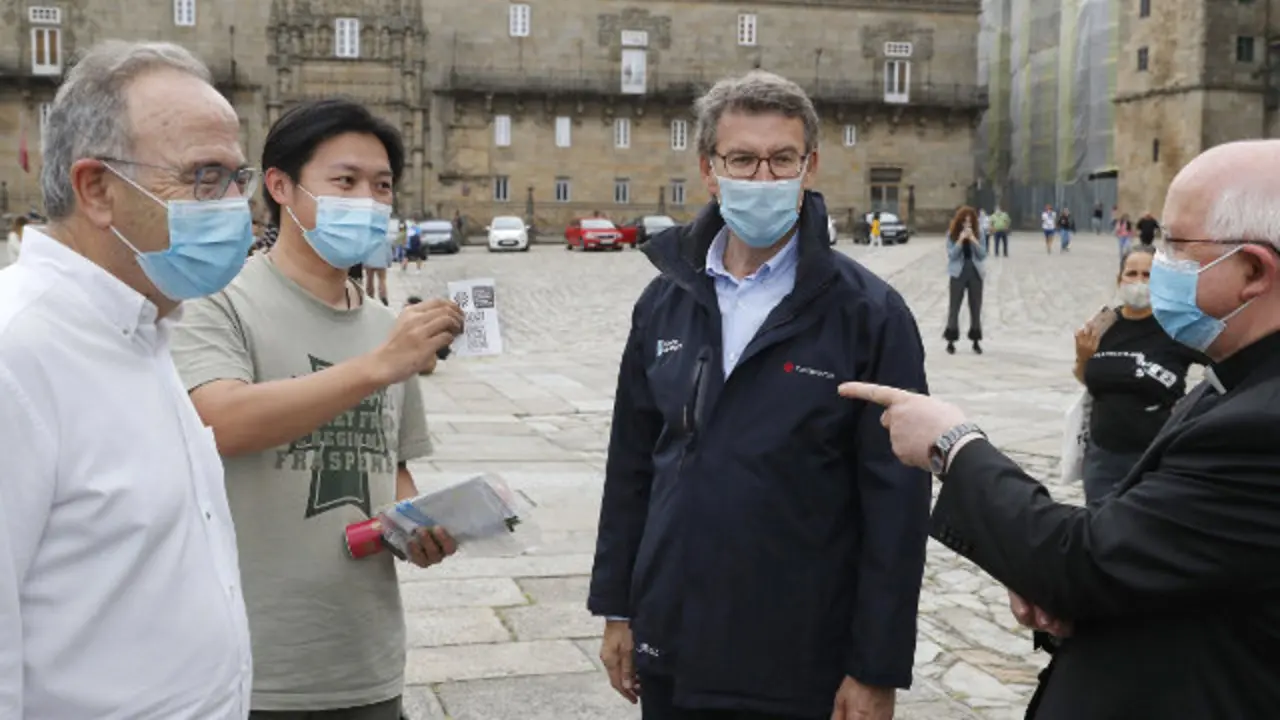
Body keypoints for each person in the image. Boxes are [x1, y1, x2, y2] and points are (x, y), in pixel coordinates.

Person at [839, 139, 1280, 718]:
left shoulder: (1261, 427)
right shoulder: (1237, 379)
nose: (1156, 259)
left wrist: (954, 444)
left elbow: (1087, 562)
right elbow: (1148, 553)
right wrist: (1066, 591)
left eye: (1174, 243)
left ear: (1252, 269)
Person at [589, 70, 929, 720]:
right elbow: (631, 467)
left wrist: (876, 666)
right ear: (710, 170)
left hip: (798, 658)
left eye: (781, 160)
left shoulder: (869, 316)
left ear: (810, 167)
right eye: (742, 159)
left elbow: (896, 505)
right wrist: (617, 608)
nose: (763, 178)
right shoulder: (665, 301)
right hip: (673, 644)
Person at [171, 98, 465, 720]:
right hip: (249, 664)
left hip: (363, 659)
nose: (368, 200)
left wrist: (419, 529)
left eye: (382, 186)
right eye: (346, 181)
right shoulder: (217, 302)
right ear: (280, 186)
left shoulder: (387, 327)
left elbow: (392, 468)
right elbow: (220, 420)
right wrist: (378, 366)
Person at [0, 40, 255, 718]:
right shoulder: (16, 356)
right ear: (98, 189)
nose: (235, 206)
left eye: (238, 177)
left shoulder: (144, 328)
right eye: (204, 177)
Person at [1073, 244, 1204, 501]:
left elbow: (1225, 365)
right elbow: (1087, 379)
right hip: (1103, 455)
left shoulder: (1175, 328)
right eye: (1131, 274)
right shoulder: (1102, 326)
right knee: (1100, 530)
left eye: (1148, 275)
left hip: (1155, 456)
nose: (1138, 282)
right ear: (1119, 279)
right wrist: (1082, 358)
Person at [943, 206, 987, 355]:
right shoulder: (952, 234)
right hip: (958, 273)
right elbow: (952, 255)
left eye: (970, 221)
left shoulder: (979, 233)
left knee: (975, 306)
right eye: (964, 221)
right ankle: (951, 339)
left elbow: (982, 254)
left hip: (975, 272)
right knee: (954, 306)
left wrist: (974, 240)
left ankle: (975, 340)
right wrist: (960, 240)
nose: (967, 224)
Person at [363, 217, 393, 305]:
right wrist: (389, 261)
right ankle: (383, 298)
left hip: (369, 260)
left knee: (369, 279)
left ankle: (370, 298)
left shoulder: (367, 236)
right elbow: (388, 250)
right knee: (382, 280)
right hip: (381, 261)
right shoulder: (384, 236)